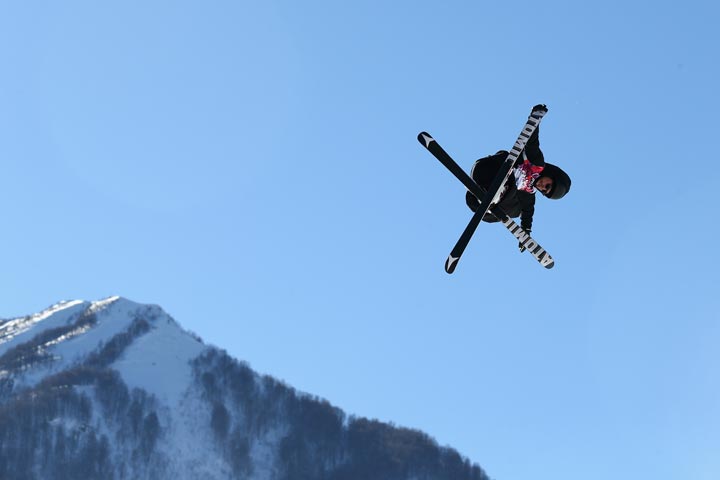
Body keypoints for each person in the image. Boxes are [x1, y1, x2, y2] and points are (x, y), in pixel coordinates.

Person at [465, 105, 571, 251]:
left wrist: (525, 233)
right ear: (553, 176)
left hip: (478, 196)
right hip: (487, 169)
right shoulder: (536, 163)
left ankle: (485, 202)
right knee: (516, 192)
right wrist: (535, 119)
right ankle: (494, 192)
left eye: (544, 192)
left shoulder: (528, 191)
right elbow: (532, 142)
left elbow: (528, 212)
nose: (543, 188)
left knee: (517, 210)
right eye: (548, 186)